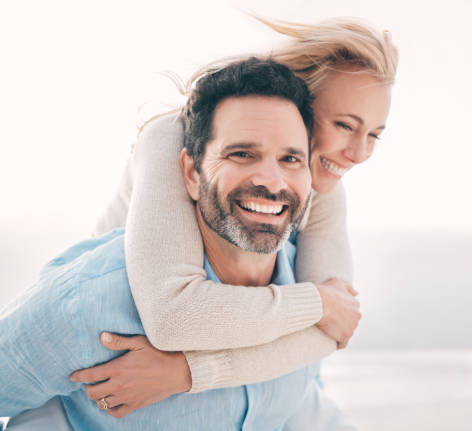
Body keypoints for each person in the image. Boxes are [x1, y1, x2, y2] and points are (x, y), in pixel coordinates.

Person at [73, 16, 398, 421]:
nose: (359, 153)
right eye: (345, 126)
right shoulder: (170, 142)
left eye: (374, 135)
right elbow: (175, 317)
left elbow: (334, 328)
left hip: (282, 393)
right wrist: (316, 302)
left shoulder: (320, 181)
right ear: (297, 102)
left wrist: (188, 372)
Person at [0, 57, 349, 430]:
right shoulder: (94, 300)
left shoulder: (308, 294)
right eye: (242, 154)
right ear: (191, 174)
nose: (271, 179)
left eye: (290, 158)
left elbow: (303, 409)